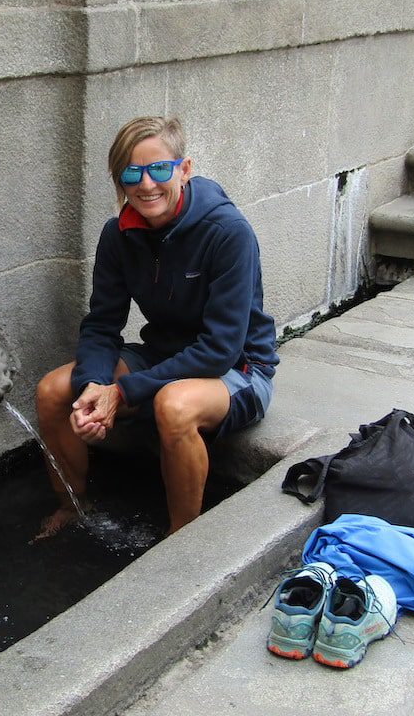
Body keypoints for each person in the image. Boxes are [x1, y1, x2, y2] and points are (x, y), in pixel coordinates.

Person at [35, 116, 278, 538]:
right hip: (164, 355)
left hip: (237, 368)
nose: (146, 184)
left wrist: (123, 392)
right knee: (54, 391)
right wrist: (95, 383)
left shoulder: (228, 233)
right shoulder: (118, 235)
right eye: (132, 173)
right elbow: (101, 325)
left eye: (159, 169)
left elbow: (220, 348)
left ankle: (180, 535)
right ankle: (73, 506)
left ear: (184, 170)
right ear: (119, 180)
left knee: (174, 406)